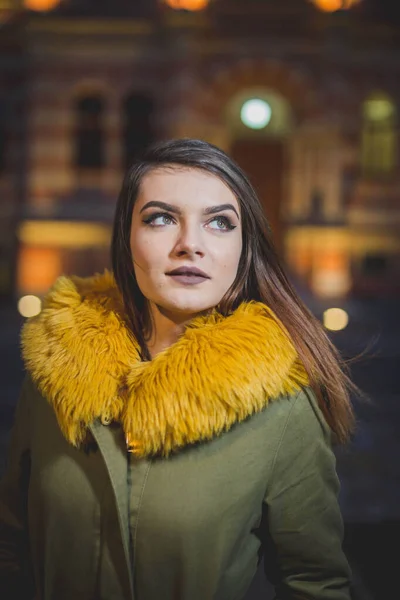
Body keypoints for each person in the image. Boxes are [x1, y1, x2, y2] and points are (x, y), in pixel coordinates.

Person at [0, 138, 355, 600]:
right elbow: (10, 544)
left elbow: (315, 583)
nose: (190, 245)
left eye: (220, 223)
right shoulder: (54, 369)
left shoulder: (283, 404)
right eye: (161, 218)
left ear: (244, 250)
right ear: (126, 238)